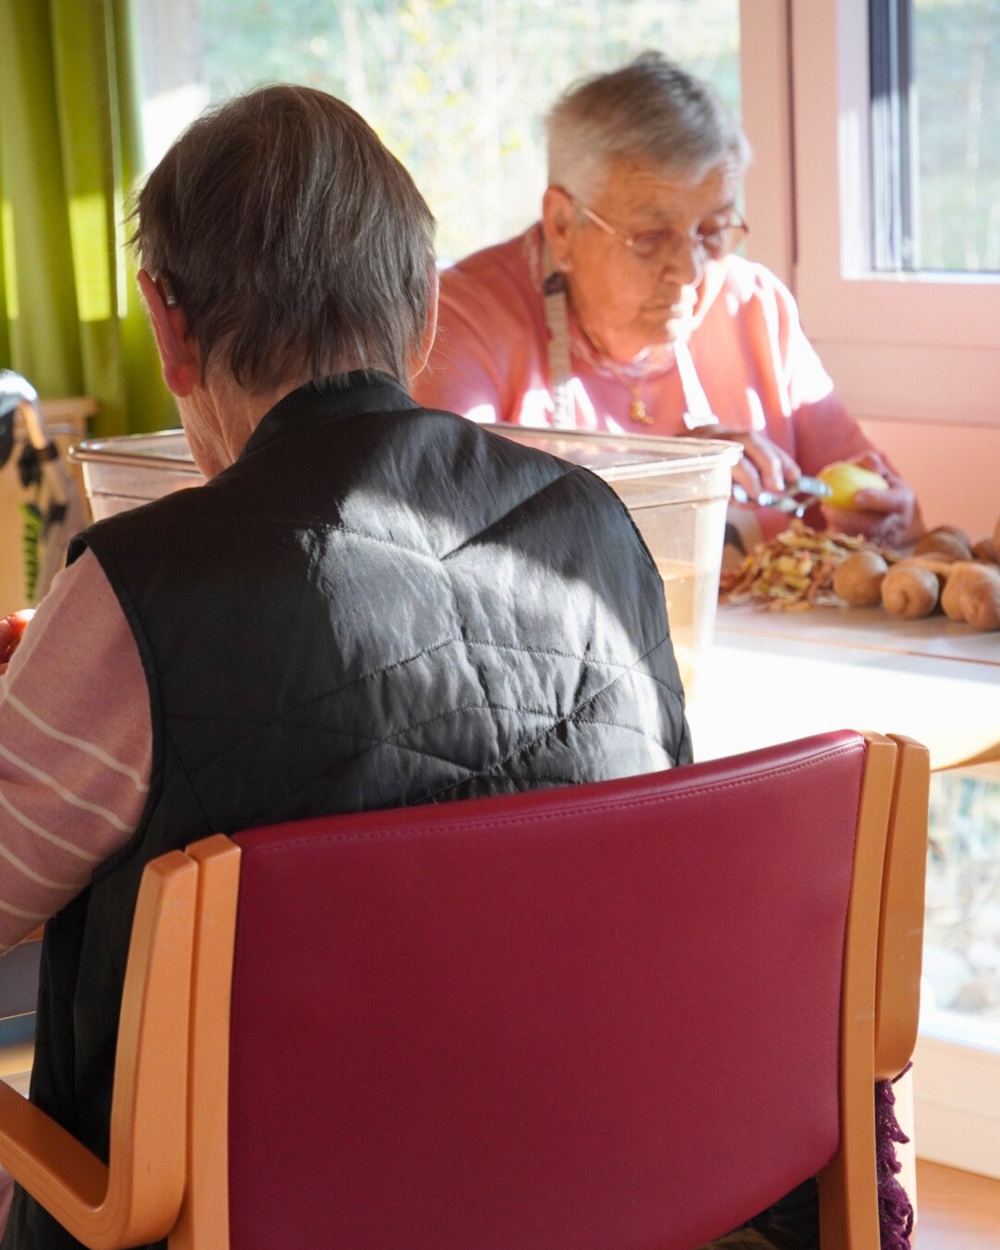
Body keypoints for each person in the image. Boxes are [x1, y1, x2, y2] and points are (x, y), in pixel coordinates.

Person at [0, 85, 690, 1250]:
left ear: (167, 325)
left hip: (229, 1220)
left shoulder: (138, 591)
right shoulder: (597, 533)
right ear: (424, 310)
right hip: (567, 1195)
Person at [414, 52, 923, 549]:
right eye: (651, 238)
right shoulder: (463, 319)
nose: (691, 271)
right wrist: (663, 482)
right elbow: (442, 536)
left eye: (713, 229)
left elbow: (900, 519)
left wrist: (880, 518)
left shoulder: (756, 308)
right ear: (563, 226)